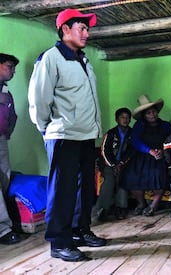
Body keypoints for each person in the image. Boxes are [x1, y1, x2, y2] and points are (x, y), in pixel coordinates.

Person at [28, 8, 106, 262]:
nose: (87, 32)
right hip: (62, 135)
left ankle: (80, 232)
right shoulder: (51, 58)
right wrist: (46, 128)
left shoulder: (83, 59)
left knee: (85, 190)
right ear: (65, 30)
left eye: (87, 28)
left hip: (85, 135)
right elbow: (39, 100)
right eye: (81, 28)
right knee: (62, 191)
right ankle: (59, 243)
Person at [122, 95, 171, 217]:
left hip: (160, 156)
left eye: (154, 112)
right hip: (142, 155)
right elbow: (135, 140)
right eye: (149, 113)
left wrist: (162, 150)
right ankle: (141, 203)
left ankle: (153, 205)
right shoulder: (139, 125)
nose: (152, 115)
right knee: (131, 176)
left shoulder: (165, 125)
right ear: (144, 115)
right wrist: (149, 150)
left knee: (159, 176)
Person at [97, 107, 133, 221]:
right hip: (108, 164)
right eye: (122, 117)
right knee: (110, 180)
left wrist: (121, 163)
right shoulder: (111, 133)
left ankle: (121, 207)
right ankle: (103, 208)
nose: (125, 120)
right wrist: (113, 165)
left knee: (122, 179)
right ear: (117, 119)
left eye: (127, 118)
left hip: (124, 164)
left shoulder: (132, 134)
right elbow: (104, 151)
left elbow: (131, 151)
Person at [0, 53, 21, 245]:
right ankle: (3, 230)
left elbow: (12, 117)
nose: (13, 71)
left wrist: (6, 133)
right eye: (9, 66)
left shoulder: (6, 93)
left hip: (1, 141)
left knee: (4, 181)